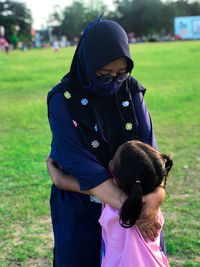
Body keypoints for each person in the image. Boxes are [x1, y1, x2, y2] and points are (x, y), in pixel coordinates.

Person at [47, 17, 166, 267]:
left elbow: (149, 151)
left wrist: (156, 196)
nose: (113, 82)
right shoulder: (62, 99)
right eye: (103, 76)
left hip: (139, 207)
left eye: (121, 74)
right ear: (86, 65)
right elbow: (81, 163)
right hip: (84, 211)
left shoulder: (130, 89)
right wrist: (134, 208)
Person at [48, 140, 173, 267]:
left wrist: (50, 163)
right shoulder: (152, 207)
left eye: (111, 162)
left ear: (115, 180)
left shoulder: (112, 203)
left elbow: (60, 181)